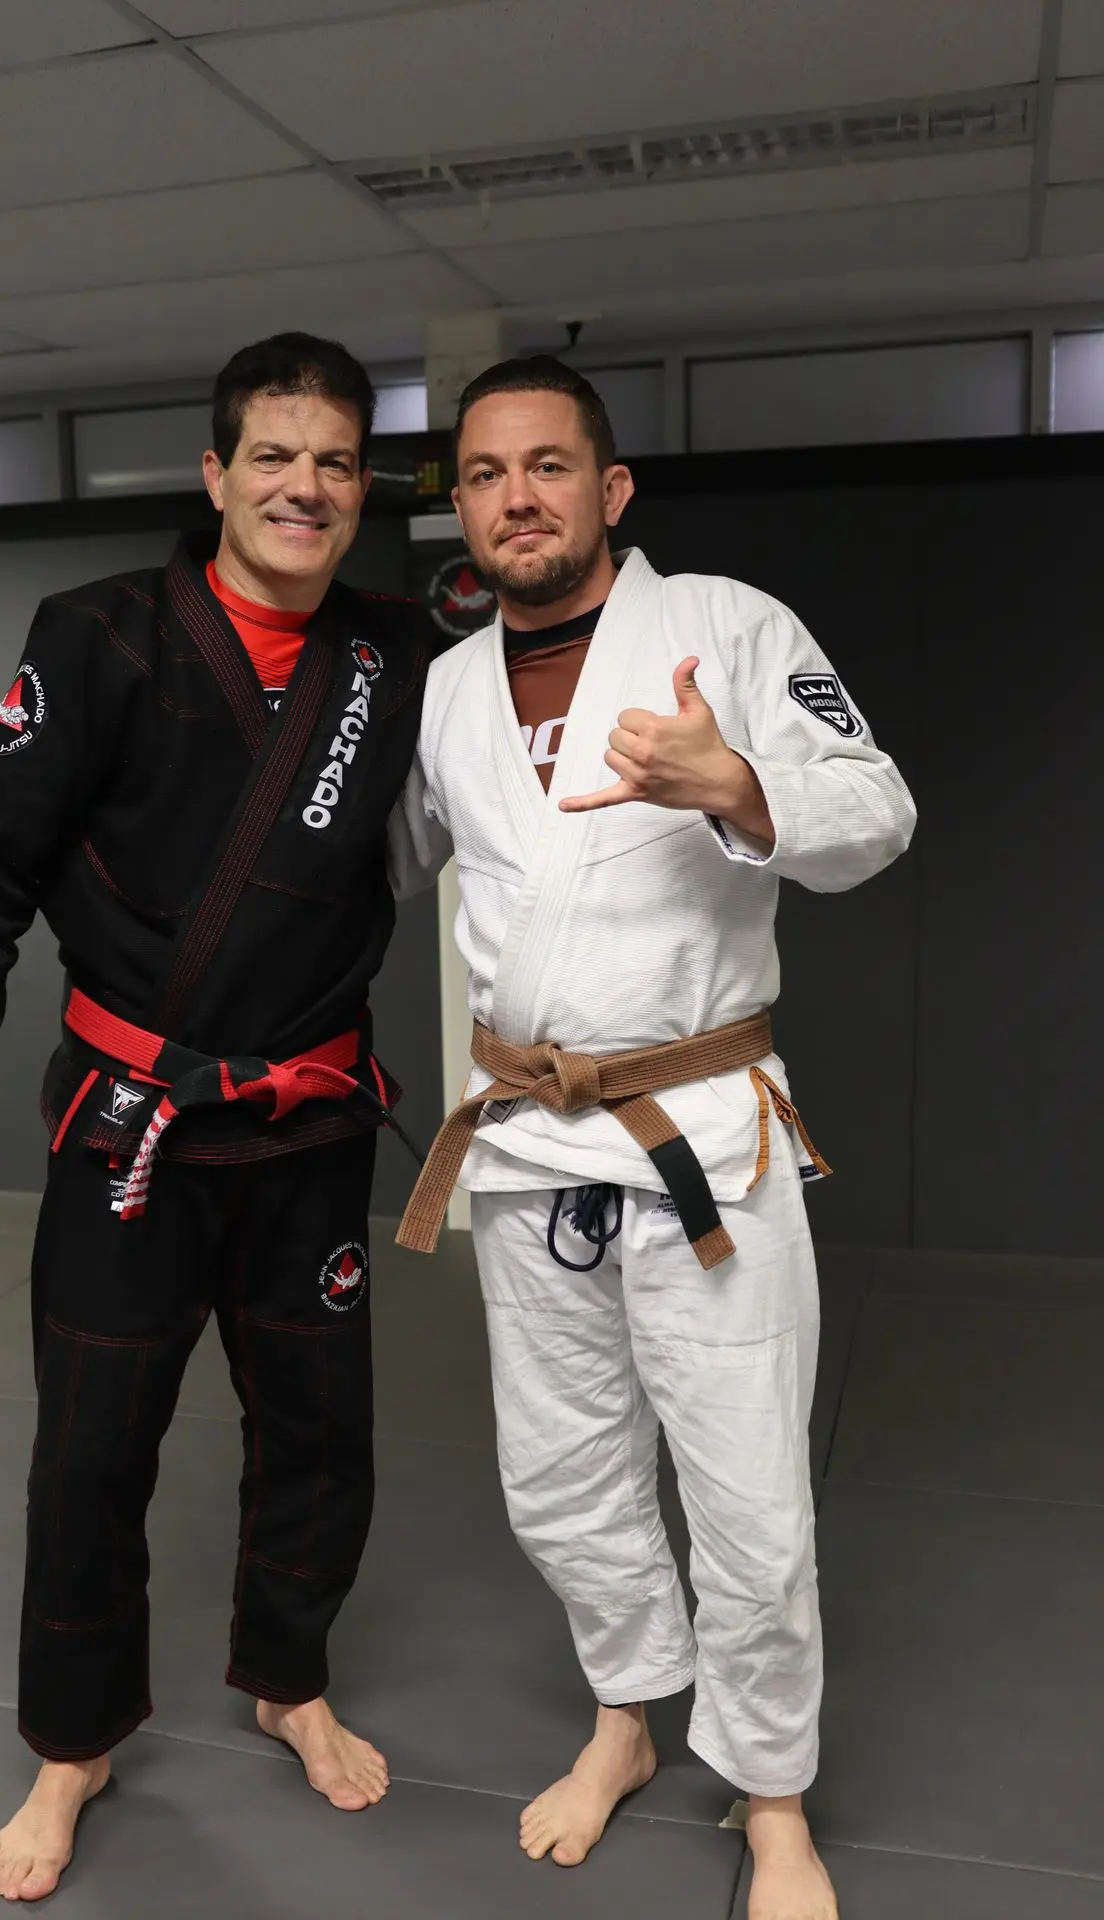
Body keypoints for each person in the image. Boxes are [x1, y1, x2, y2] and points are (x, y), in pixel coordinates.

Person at [0, 333, 438, 1903]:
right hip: (128, 1127)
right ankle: (73, 1742)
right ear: (215, 477)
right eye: (274, 456)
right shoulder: (100, 638)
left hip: (308, 1126)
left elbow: (545, 636)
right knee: (90, 1454)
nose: (305, 486)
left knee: (322, 1436)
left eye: (336, 462)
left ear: (361, 491)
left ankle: (287, 1673)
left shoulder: (395, 654)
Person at [389, 357, 915, 1920]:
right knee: (560, 1476)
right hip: (530, 1143)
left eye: (549, 467)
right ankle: (626, 1719)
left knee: (749, 1495)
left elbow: (876, 809)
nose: (517, 498)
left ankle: (772, 1798)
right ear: (463, 507)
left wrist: (736, 782)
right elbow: (400, 861)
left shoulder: (731, 631)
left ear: (610, 492)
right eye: (486, 475)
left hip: (700, 1138)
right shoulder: (448, 688)